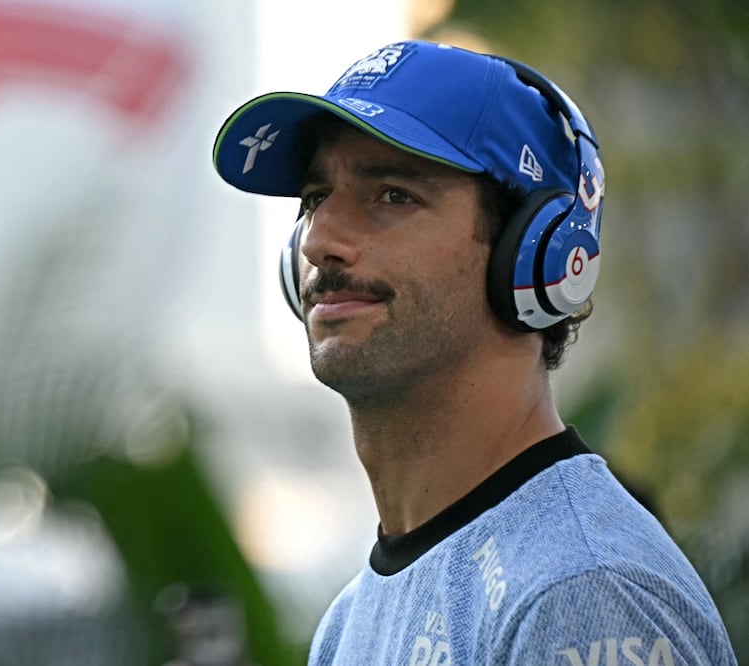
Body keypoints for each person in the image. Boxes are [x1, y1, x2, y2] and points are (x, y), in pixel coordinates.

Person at [212, 40, 736, 664]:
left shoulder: (581, 592)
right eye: (315, 198)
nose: (320, 238)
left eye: (393, 195)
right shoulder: (350, 619)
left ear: (533, 255)